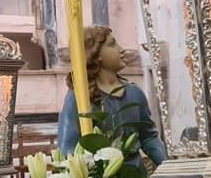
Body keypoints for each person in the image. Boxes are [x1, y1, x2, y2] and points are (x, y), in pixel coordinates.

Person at [57, 25, 167, 167]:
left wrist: (167, 165)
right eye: (112, 44)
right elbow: (68, 148)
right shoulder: (79, 97)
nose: (121, 49)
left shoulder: (134, 93)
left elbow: (148, 137)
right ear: (95, 53)